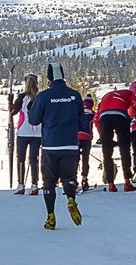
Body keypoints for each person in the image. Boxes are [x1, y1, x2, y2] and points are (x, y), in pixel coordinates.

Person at [27, 64, 83, 230]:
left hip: (51, 145)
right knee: (69, 176)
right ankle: (71, 198)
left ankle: (50, 217)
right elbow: (82, 121)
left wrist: (32, 108)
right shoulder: (74, 95)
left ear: (49, 78)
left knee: (49, 182)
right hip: (71, 144)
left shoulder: (44, 96)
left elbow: (34, 120)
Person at [94, 82, 136, 192]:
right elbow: (135, 106)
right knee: (124, 149)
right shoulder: (129, 93)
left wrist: (102, 137)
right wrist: (134, 116)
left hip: (104, 117)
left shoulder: (105, 97)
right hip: (120, 115)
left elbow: (96, 119)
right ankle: (127, 182)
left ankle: (111, 184)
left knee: (107, 152)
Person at [11, 75, 42, 194]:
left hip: (23, 132)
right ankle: (34, 185)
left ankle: (21, 185)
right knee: (34, 159)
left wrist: (11, 103)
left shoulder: (22, 97)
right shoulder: (40, 97)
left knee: (21, 159)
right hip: (37, 132)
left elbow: (13, 112)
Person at [77, 96, 95, 191]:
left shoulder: (77, 112)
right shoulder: (92, 113)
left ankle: (73, 181)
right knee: (85, 159)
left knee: (75, 159)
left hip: (76, 137)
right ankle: (84, 179)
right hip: (87, 137)